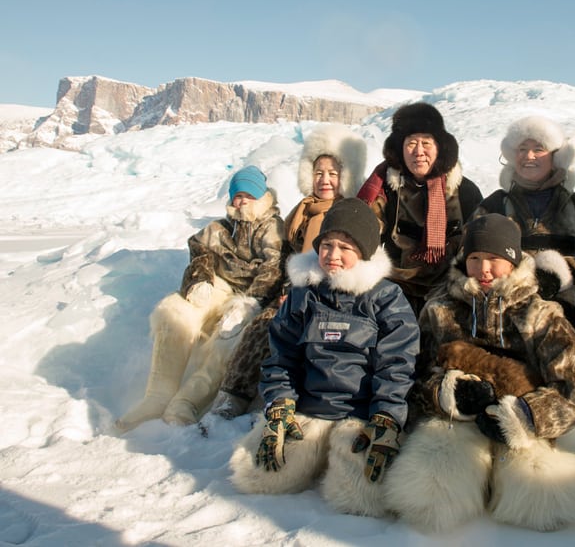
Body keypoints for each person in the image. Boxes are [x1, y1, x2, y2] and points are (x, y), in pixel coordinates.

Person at [382, 214, 575, 532]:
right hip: (456, 421)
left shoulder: (540, 314)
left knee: (543, 499)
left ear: (513, 260)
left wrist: (526, 415)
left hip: (523, 419)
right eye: (475, 258)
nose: (484, 269)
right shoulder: (440, 309)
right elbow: (415, 372)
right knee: (429, 491)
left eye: (494, 259)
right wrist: (446, 394)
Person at [229, 198, 419, 518]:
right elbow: (282, 357)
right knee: (259, 478)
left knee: (361, 501)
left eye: (345, 247)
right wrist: (279, 404)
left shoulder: (386, 298)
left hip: (360, 418)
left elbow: (397, 366)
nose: (332, 255)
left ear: (365, 252)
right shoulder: (304, 295)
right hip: (308, 412)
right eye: (327, 245)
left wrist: (386, 418)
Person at [209, 125, 368, 420]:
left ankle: (266, 401)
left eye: (332, 173)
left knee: (280, 327)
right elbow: (288, 252)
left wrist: (299, 293)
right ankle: (230, 398)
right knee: (260, 326)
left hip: (328, 294)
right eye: (319, 172)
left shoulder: (350, 211)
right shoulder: (303, 209)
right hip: (292, 287)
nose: (325, 180)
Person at [114, 165, 286, 431]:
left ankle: (188, 401)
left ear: (261, 197)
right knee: (174, 311)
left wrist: (251, 303)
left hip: (250, 297)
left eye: (248, 195)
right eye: (237, 196)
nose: (242, 202)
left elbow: (273, 268)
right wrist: (199, 279)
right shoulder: (220, 228)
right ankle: (158, 395)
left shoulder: (273, 228)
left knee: (228, 340)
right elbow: (200, 250)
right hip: (220, 286)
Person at [473, 115, 575, 347]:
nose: (529, 156)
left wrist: (560, 272)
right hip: (505, 303)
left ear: (556, 156)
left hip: (568, 305)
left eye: (538, 149)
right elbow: (471, 252)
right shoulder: (493, 206)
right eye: (522, 149)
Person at [357, 101, 483, 315]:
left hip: (449, 288)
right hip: (394, 285)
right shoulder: (385, 188)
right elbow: (364, 231)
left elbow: (480, 243)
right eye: (411, 143)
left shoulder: (465, 191)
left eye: (426, 142)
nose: (418, 151)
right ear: (399, 148)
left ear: (440, 147)